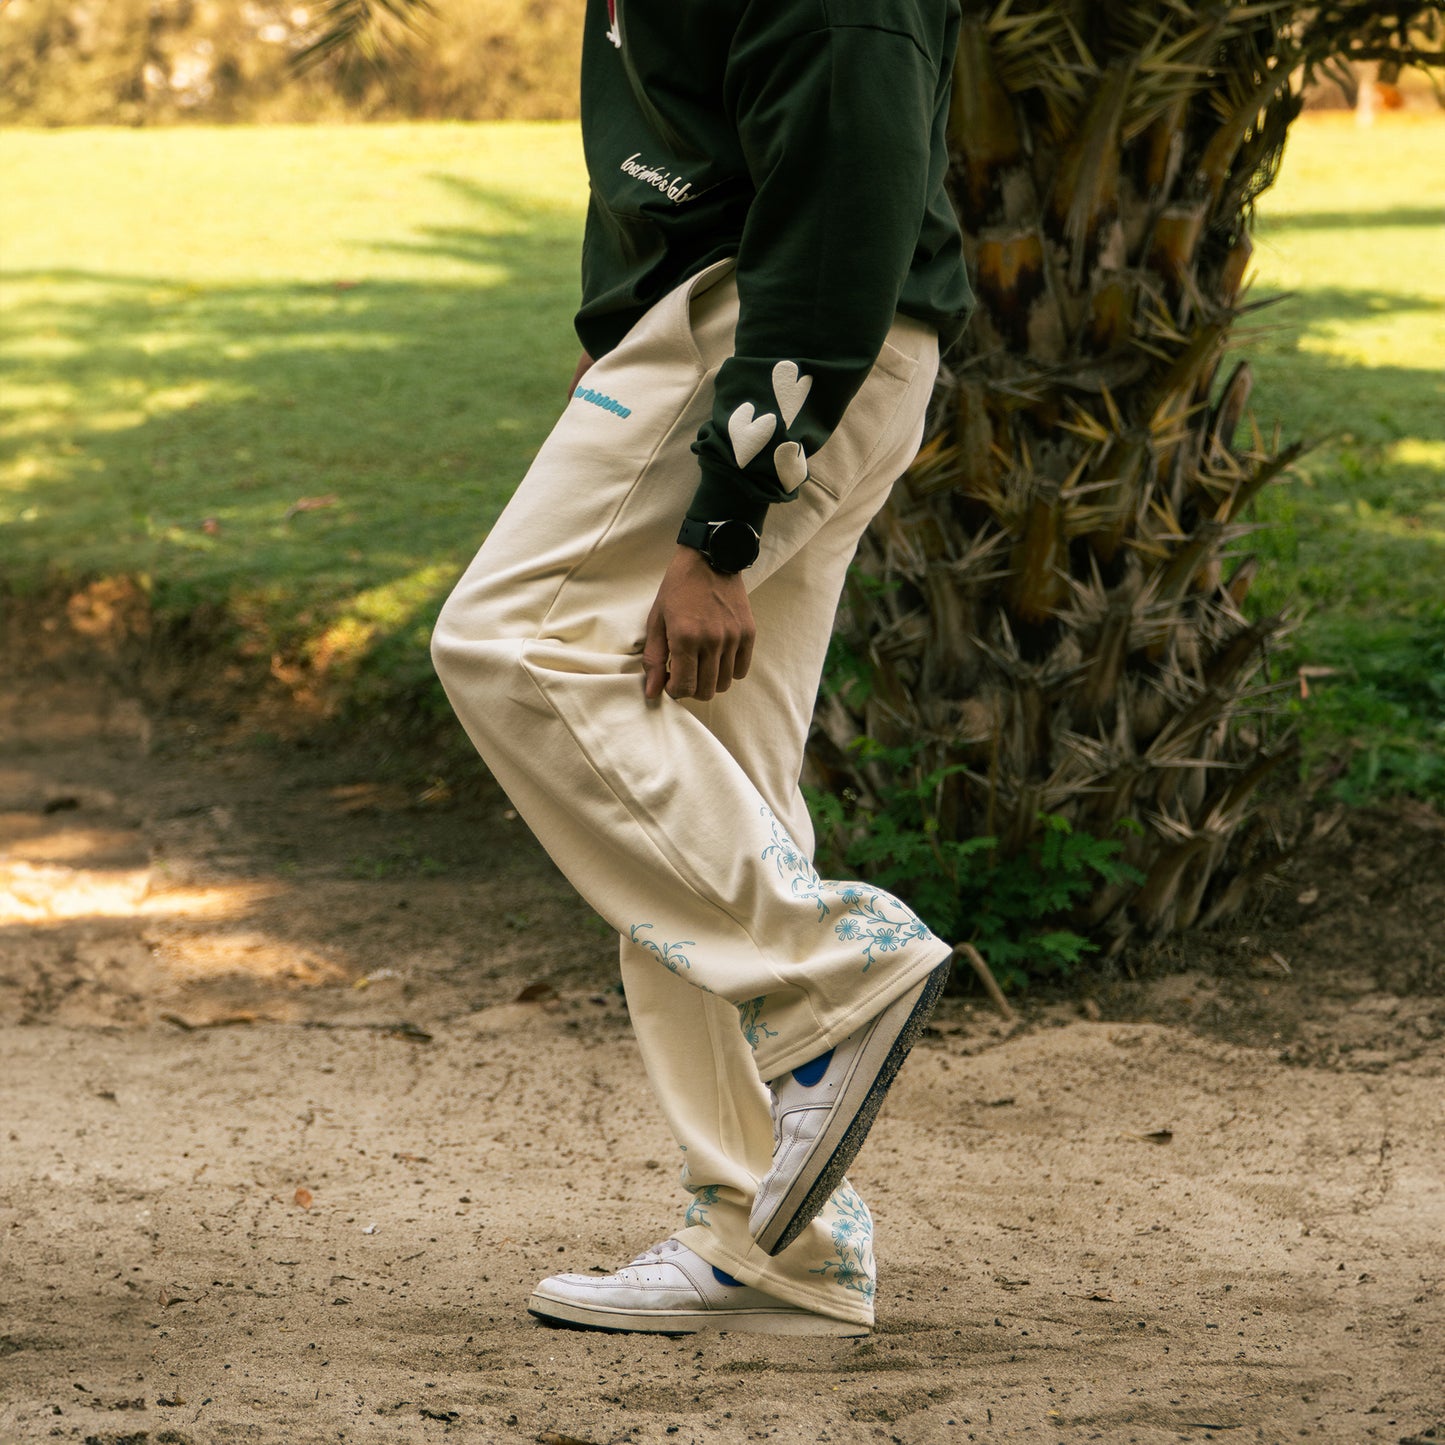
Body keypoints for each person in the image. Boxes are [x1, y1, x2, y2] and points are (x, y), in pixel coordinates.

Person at [431, 0, 972, 1337]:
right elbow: (664, 137)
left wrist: (719, 526)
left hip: (776, 338)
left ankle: (830, 968)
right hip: (726, 329)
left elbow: (845, 200)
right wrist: (616, 323)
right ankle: (761, 1239)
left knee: (506, 641)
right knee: (698, 773)